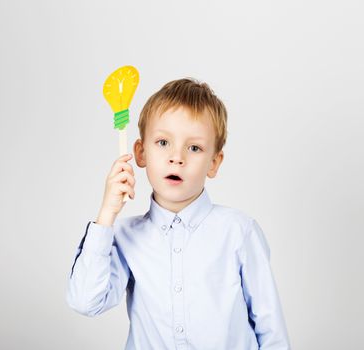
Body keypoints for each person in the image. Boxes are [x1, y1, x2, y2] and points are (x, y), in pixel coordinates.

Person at [66, 77, 291, 350]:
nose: (177, 157)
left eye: (194, 148)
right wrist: (106, 215)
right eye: (163, 142)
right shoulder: (125, 236)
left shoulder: (239, 231)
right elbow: (85, 301)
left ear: (214, 163)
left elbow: (271, 330)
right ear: (140, 153)